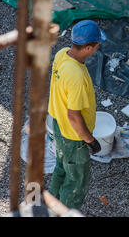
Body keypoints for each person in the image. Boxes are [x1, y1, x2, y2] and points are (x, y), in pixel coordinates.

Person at [48, 19, 107, 210]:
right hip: (73, 136)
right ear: (89, 48)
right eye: (98, 44)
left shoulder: (61, 54)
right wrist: (90, 140)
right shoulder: (77, 77)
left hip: (59, 125)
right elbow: (74, 115)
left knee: (62, 167)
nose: (99, 47)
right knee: (76, 182)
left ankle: (51, 206)